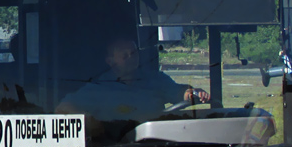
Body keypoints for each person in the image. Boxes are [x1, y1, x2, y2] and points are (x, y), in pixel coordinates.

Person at [57, 38, 209, 125]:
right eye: (124, 55)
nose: (131, 58)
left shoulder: (155, 80)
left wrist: (193, 93)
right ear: (110, 61)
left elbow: (178, 92)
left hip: (159, 146)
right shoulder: (98, 88)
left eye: (134, 53)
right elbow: (63, 108)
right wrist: (91, 123)